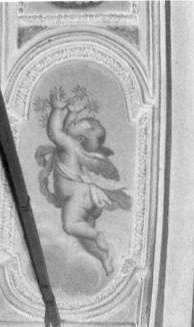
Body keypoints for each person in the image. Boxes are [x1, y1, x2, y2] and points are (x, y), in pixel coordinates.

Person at [35, 87, 131, 274]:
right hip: (85, 198)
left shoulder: (70, 145)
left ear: (80, 137)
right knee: (83, 238)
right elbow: (66, 129)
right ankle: (104, 257)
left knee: (70, 225)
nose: (73, 121)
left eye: (78, 122)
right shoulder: (75, 145)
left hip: (77, 196)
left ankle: (97, 235)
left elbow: (55, 132)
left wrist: (57, 109)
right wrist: (72, 112)